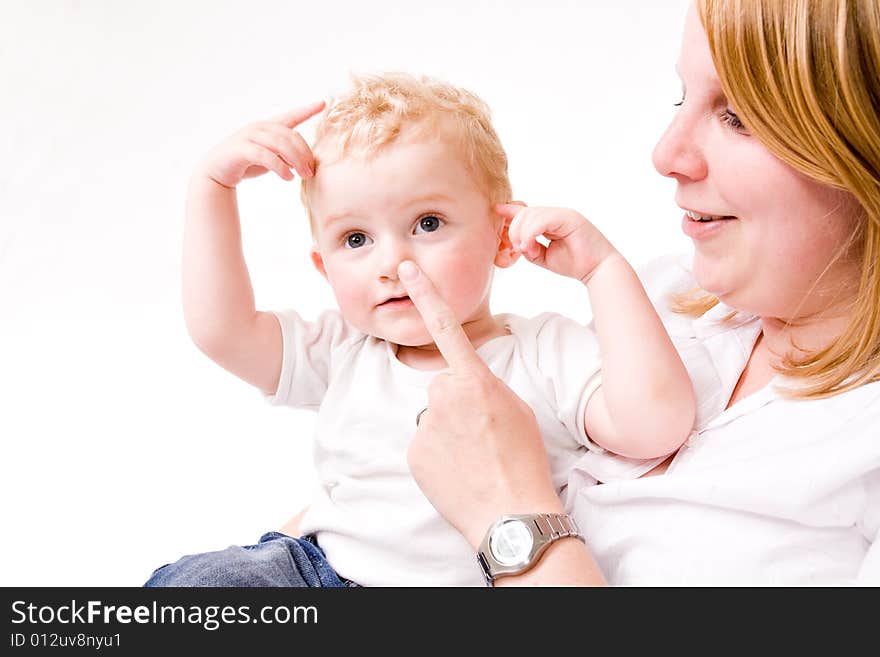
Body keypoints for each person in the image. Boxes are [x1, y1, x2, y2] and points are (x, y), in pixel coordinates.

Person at [145, 73, 696, 587]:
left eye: (427, 224)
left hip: (486, 579)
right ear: (324, 268)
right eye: (356, 239)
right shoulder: (343, 351)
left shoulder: (540, 350)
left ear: (502, 238)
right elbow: (223, 330)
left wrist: (603, 271)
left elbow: (654, 425)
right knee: (199, 582)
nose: (391, 260)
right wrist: (212, 188)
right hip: (324, 573)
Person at [401, 0, 880, 585]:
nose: (667, 155)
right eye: (683, 98)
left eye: (739, 117)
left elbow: (497, 490)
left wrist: (509, 518)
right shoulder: (666, 299)